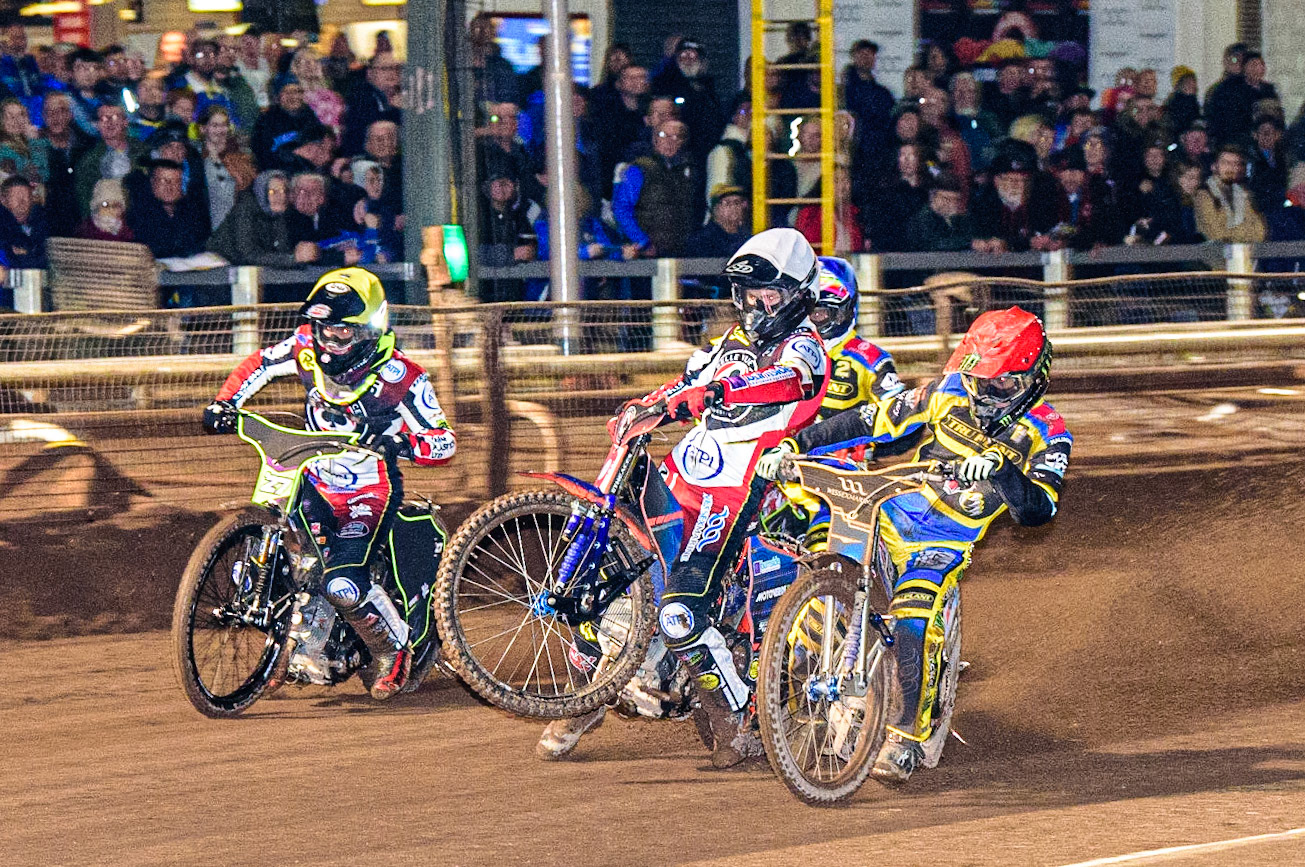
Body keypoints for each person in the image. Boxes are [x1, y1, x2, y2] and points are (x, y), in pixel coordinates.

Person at [537, 228, 831, 767]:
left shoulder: (806, 347)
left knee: (680, 613)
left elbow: (785, 383)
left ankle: (738, 717)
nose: (756, 304)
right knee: (629, 575)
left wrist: (715, 392)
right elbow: (686, 379)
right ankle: (597, 693)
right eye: (748, 294)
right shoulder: (730, 344)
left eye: (769, 294)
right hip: (685, 476)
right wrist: (648, 404)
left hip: (740, 489)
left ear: (797, 295)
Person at [756, 306, 1071, 783]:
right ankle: (785, 679)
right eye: (982, 378)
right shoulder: (948, 393)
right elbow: (870, 417)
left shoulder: (1049, 431)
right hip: (892, 508)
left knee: (914, 615)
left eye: (1002, 383)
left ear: (1032, 377)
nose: (987, 391)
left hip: (944, 538)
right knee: (819, 559)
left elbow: (1038, 511)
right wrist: (793, 446)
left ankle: (909, 735)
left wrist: (1001, 470)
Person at [202, 268, 457, 699]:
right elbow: (260, 363)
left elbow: (444, 441)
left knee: (342, 583)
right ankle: (284, 639)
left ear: (370, 329)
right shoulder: (304, 346)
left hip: (366, 490)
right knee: (283, 547)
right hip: (310, 474)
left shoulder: (402, 378)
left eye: (342, 333)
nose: (330, 342)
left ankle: (395, 651)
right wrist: (225, 402)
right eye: (324, 330)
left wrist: (400, 443)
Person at [1194, 144, 1266, 244]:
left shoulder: (1243, 194)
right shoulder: (1204, 194)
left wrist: (1234, 233)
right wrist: (1244, 233)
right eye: (1226, 163)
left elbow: (1259, 232)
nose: (1231, 168)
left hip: (1245, 254)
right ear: (1214, 167)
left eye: (1235, 163)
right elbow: (1215, 235)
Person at [684, 184, 749, 257]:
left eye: (737, 202)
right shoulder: (702, 240)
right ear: (714, 208)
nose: (733, 207)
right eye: (727, 203)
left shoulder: (746, 239)